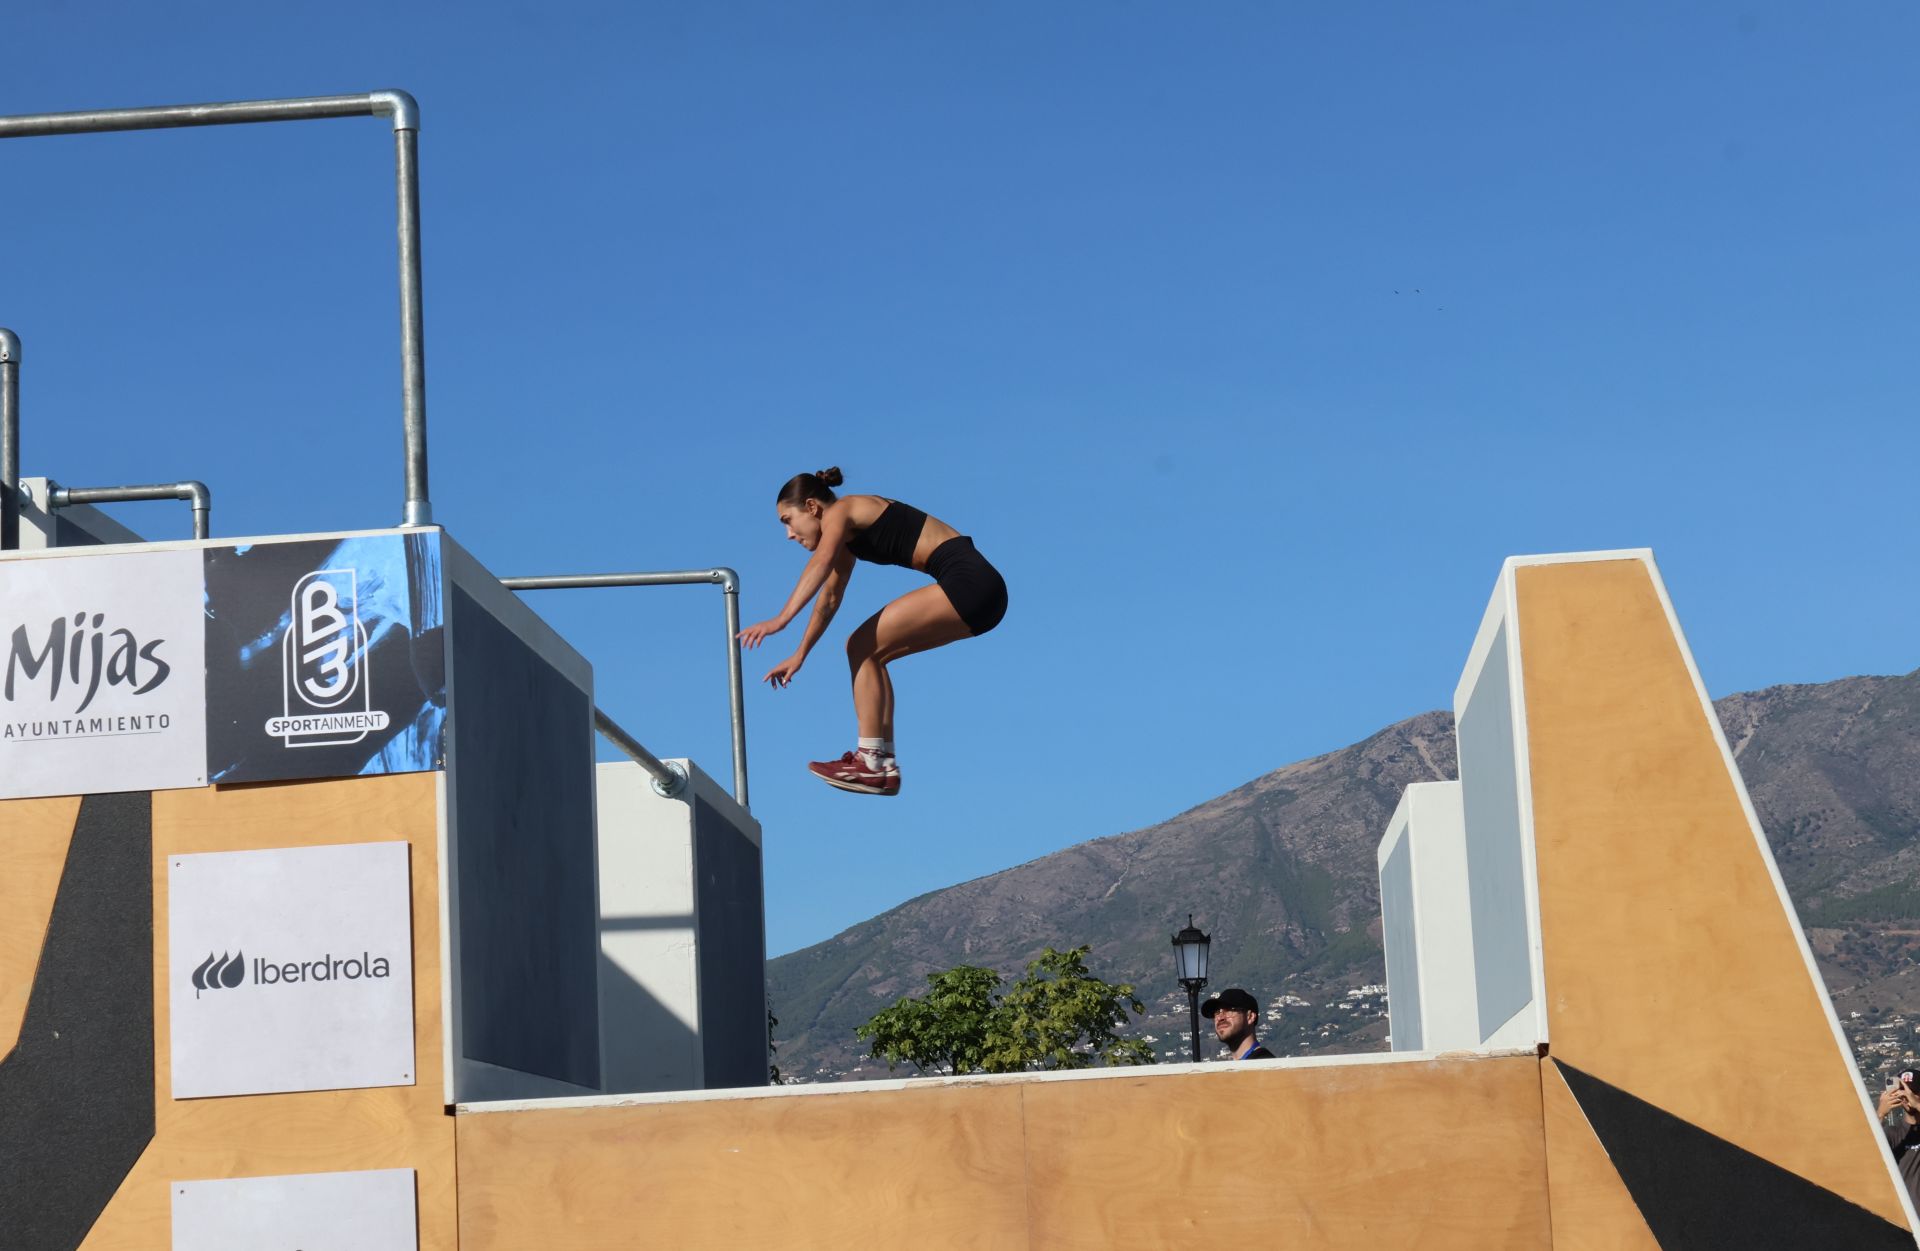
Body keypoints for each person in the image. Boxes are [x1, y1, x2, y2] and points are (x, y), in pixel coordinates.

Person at [739, 467, 1008, 796]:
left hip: (970, 582)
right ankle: (880, 766)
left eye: (787, 521)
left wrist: (780, 620)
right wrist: (800, 653)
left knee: (861, 646)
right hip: (985, 597)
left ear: (811, 507)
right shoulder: (847, 539)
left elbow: (820, 563)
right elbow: (830, 598)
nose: (789, 535)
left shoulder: (842, 510)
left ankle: (872, 762)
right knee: (867, 652)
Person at [1877, 1065, 1920, 1208]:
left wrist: (1917, 1104)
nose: (1908, 1097)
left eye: (1914, 1092)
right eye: (1903, 1092)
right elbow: (1865, 1153)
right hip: (1907, 1222)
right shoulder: (1892, 1134)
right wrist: (1880, 1114)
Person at [1201, 987, 1275, 1060]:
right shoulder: (1233, 1069)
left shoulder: (1266, 1065)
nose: (1220, 1018)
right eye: (1217, 1012)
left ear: (1250, 1017)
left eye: (1229, 1010)